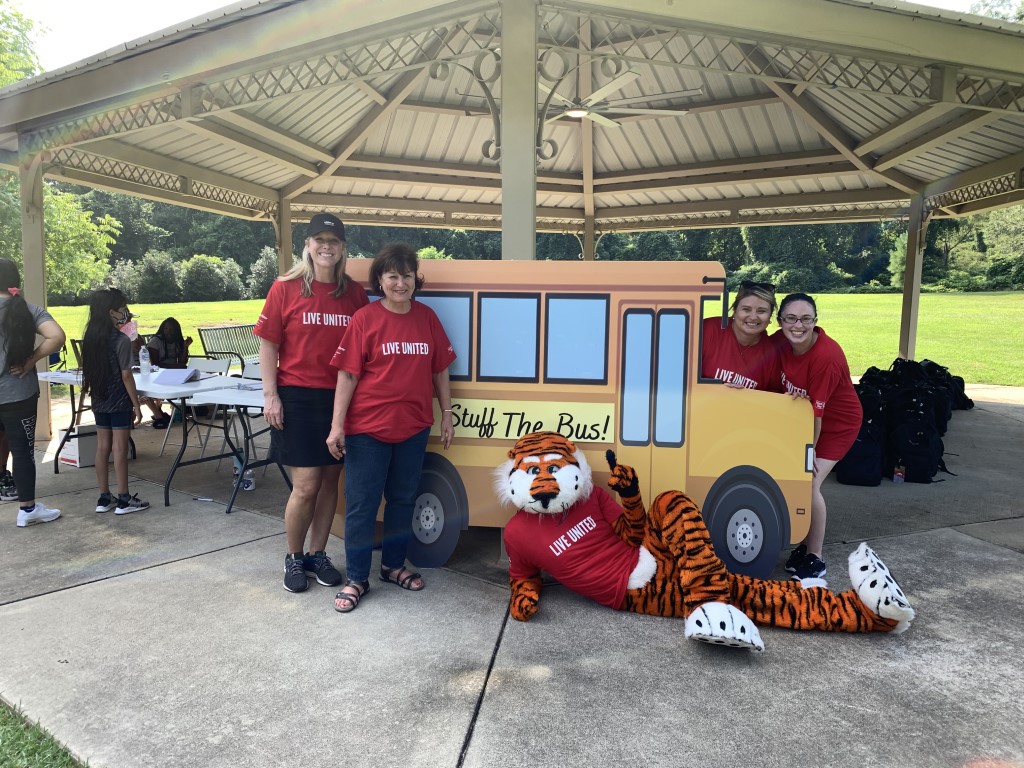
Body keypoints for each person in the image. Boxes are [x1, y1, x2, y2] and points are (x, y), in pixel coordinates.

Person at [327, 243, 456, 613]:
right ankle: (356, 578)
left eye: (407, 275)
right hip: (367, 430)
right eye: (392, 276)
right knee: (362, 505)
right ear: (380, 281)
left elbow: (439, 369)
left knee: (402, 500)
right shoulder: (364, 319)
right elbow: (348, 375)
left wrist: (446, 413)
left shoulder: (427, 317)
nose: (401, 283)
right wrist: (337, 426)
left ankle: (393, 566)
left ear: (416, 279)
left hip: (414, 427)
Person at [255, 213, 369, 593]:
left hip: (339, 399)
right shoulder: (285, 288)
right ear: (307, 245)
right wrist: (270, 395)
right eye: (319, 240)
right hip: (298, 396)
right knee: (305, 485)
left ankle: (318, 554)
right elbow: (268, 344)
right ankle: (293, 557)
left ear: (342, 249)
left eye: (333, 241)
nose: (326, 247)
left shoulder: (353, 293)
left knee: (329, 483)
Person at [772, 292, 862, 581]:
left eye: (806, 319)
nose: (798, 325)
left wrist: (808, 452)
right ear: (781, 320)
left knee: (808, 483)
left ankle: (816, 557)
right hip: (804, 420)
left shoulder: (826, 356)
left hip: (835, 424)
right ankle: (803, 544)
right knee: (793, 480)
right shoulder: (780, 341)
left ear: (815, 321)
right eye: (791, 318)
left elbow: (818, 415)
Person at [0, 258, 67, 527]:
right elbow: (57, 336)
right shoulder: (27, 309)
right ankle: (27, 510)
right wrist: (30, 362)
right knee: (23, 451)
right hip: (19, 394)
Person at [81, 288, 150, 515]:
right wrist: (136, 404)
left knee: (103, 448)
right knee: (120, 448)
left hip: (99, 397)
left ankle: (104, 497)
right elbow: (126, 375)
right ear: (111, 312)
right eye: (122, 310)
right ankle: (124, 498)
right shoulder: (120, 340)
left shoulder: (90, 338)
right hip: (119, 399)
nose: (125, 313)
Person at [701, 280, 781, 391]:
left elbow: (774, 399)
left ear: (769, 317)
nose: (753, 317)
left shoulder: (771, 354)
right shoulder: (709, 329)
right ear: (735, 310)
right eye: (746, 309)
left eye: (761, 311)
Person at [144, 317, 192, 429]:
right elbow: (155, 364)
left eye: (172, 329)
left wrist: (185, 348)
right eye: (166, 329)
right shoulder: (155, 341)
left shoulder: (177, 341)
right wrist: (176, 367)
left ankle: (180, 409)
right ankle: (168, 410)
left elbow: (182, 362)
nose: (168, 332)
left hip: (174, 373)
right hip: (159, 374)